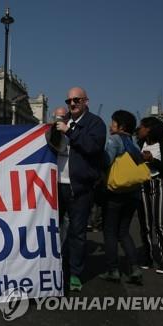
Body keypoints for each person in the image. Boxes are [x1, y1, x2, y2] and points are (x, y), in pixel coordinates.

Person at [54, 87, 106, 292]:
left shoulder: (95, 123)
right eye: (69, 101)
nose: (72, 104)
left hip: (80, 187)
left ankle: (75, 272)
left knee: (77, 232)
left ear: (86, 101)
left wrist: (70, 131)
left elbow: (93, 147)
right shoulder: (62, 121)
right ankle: (54, 267)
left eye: (76, 100)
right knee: (52, 229)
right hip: (56, 184)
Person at [99, 110, 142, 284]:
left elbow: (105, 162)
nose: (111, 126)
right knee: (124, 232)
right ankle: (135, 268)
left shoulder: (115, 140)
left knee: (109, 232)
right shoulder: (134, 144)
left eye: (113, 123)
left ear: (121, 126)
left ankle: (113, 270)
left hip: (115, 194)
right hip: (133, 194)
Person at [136, 117, 163, 274]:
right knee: (145, 224)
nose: (140, 129)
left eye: (142, 127)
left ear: (150, 129)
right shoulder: (140, 144)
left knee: (159, 224)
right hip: (142, 184)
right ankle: (148, 258)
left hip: (158, 184)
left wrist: (151, 160)